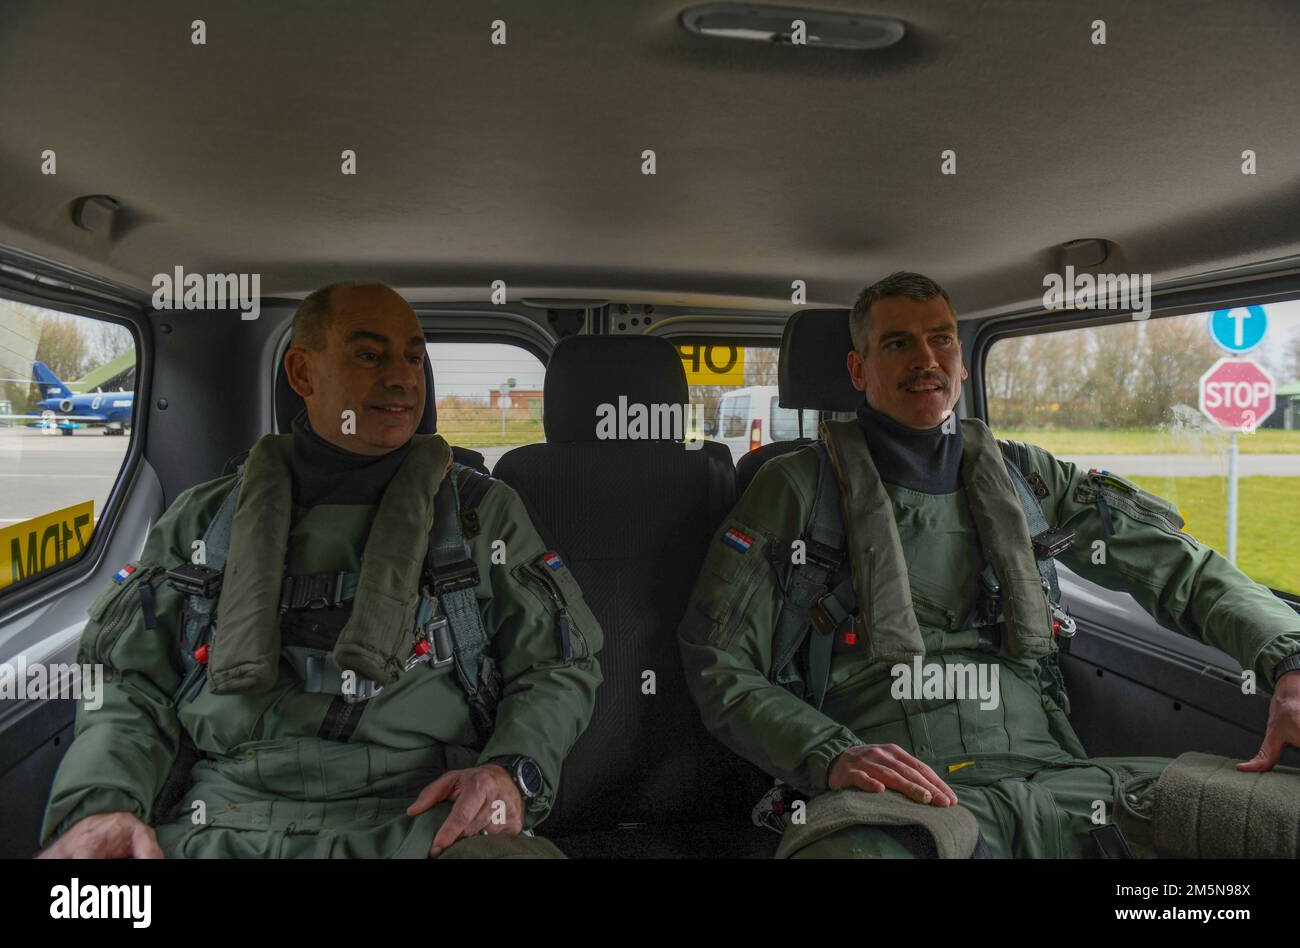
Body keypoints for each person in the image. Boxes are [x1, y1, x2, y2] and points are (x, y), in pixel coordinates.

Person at [678, 271, 1300, 858]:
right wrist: (829, 754)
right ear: (858, 369)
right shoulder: (796, 489)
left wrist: (1287, 658)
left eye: (941, 339)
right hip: (894, 800)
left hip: (1061, 782)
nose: (926, 359)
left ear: (959, 358)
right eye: (898, 343)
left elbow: (1181, 569)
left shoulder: (1028, 477)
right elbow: (720, 662)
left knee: (1274, 820)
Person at [39, 281, 603, 858]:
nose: (403, 377)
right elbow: (128, 683)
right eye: (369, 354)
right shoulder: (204, 520)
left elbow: (558, 666)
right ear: (303, 375)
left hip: (426, 815)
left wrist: (509, 771)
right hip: (223, 816)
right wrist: (107, 803)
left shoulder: (480, 514)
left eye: (413, 356)